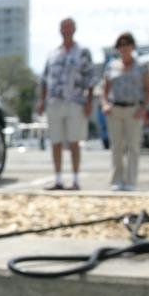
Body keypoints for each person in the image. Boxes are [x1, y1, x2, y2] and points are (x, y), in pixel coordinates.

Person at [37, 18, 96, 190]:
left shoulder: (83, 52)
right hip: (54, 102)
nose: (66, 30)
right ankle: (58, 179)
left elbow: (90, 78)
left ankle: (76, 179)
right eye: (63, 27)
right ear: (60, 30)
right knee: (55, 141)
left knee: (74, 141)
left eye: (69, 27)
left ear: (75, 29)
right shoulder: (53, 54)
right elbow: (44, 80)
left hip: (75, 102)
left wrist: (89, 101)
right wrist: (42, 100)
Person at [101, 32, 149, 191]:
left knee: (133, 146)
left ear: (132, 46)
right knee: (117, 146)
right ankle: (116, 180)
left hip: (134, 110)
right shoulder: (111, 66)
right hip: (115, 110)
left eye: (127, 44)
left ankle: (131, 181)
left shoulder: (142, 67)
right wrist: (105, 105)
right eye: (121, 45)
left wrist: (143, 108)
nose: (124, 48)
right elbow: (104, 90)